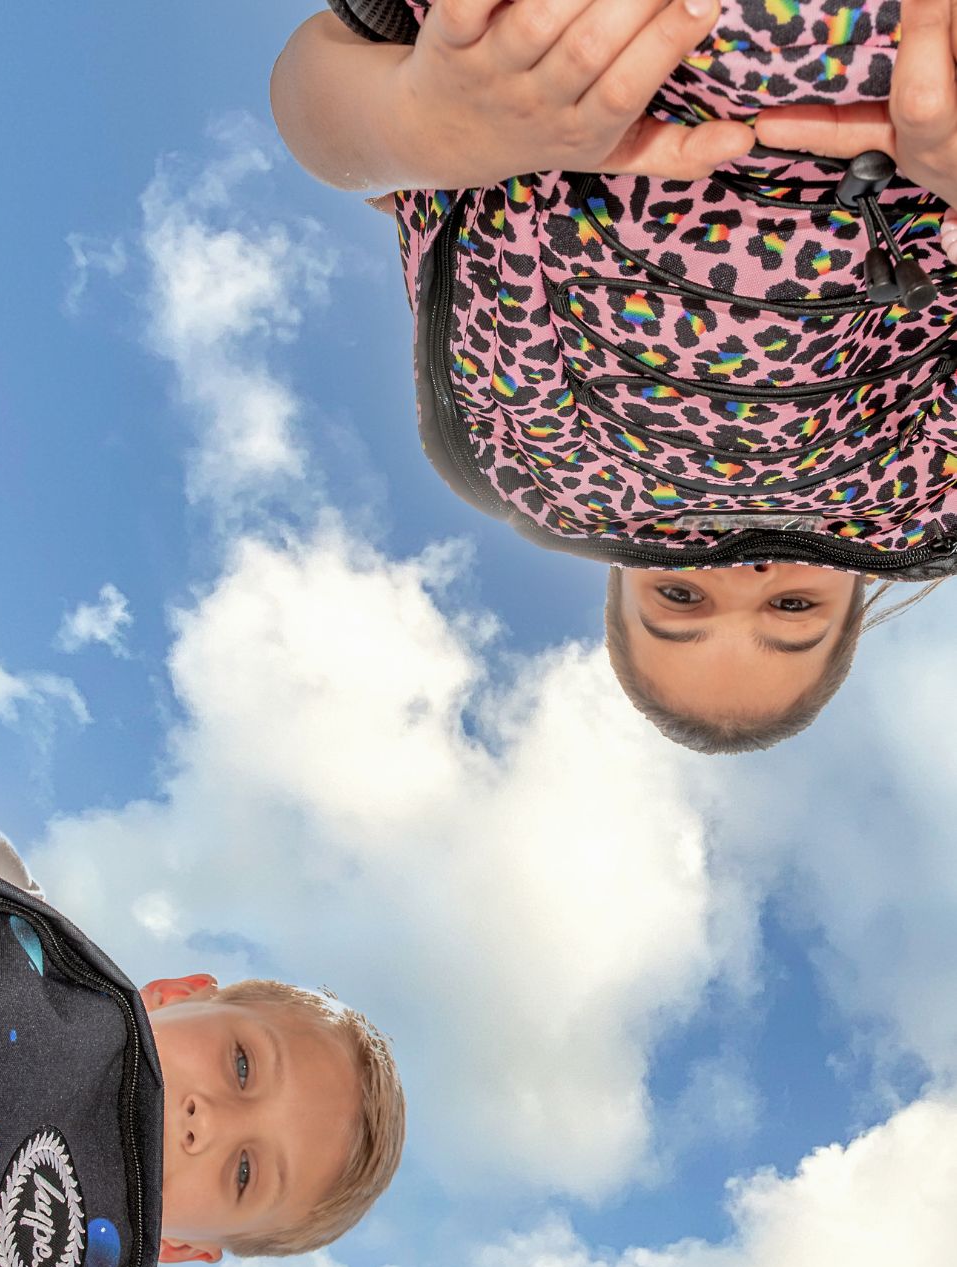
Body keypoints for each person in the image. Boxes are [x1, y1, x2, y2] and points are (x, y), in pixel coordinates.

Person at [270, 0, 957, 751]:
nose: (740, 576)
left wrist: (423, 125)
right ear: (861, 592)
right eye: (792, 608)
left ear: (619, 573)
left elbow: (331, 89)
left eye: (678, 596)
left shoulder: (532, 464)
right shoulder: (923, 492)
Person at [0, 756, 406, 1262]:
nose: (206, 1123)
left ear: (178, 1246)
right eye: (242, 1065)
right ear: (178, 994)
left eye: (245, 1172)